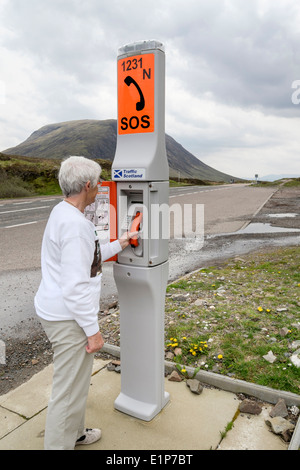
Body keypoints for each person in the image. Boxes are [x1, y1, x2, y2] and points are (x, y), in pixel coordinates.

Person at [34, 156, 136, 450]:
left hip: (58, 311)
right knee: (67, 391)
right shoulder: (75, 225)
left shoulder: (63, 212)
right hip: (68, 319)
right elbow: (75, 286)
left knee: (76, 384)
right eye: (99, 182)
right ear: (88, 185)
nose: (102, 187)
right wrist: (93, 331)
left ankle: (75, 434)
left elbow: (86, 257)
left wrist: (122, 241)